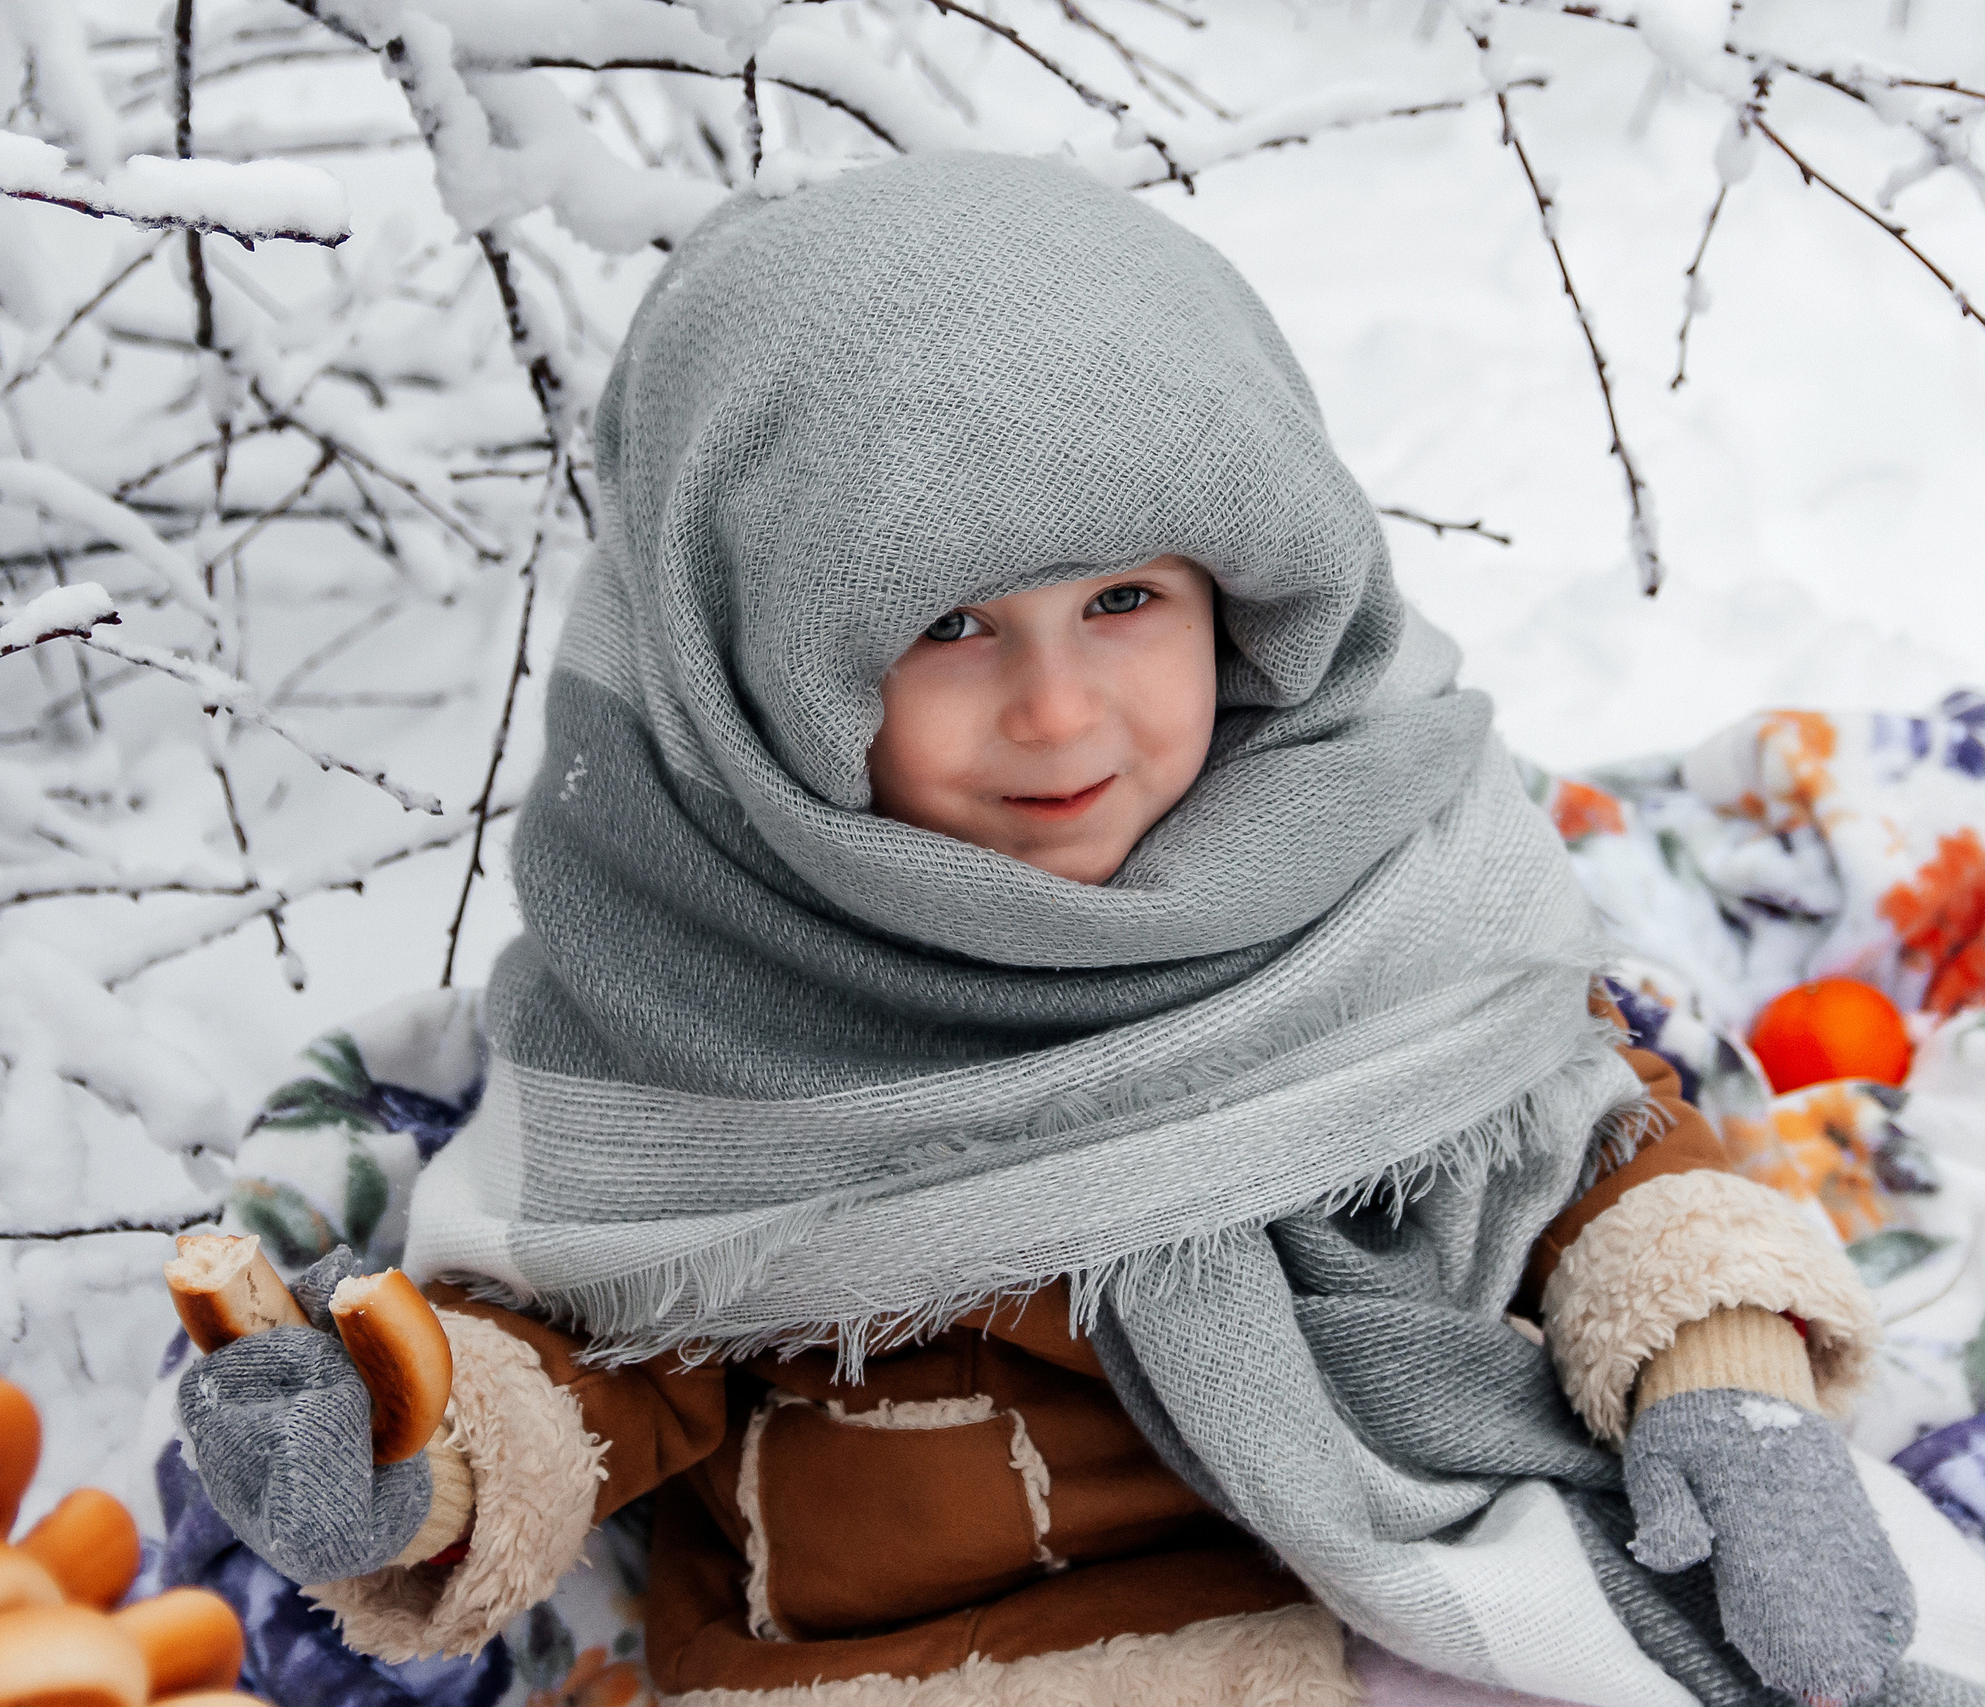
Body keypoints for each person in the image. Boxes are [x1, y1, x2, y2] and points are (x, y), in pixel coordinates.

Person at [176, 153, 1968, 1706]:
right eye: (950, 623)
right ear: (748, 676)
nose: (1058, 712)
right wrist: (406, 1460)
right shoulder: (696, 1003)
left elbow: (1594, 1153)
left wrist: (1725, 1397)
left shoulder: (1373, 878)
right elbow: (575, 1363)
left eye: (1125, 599)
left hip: (1412, 1608)